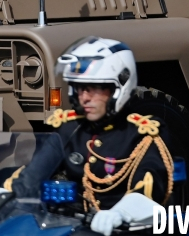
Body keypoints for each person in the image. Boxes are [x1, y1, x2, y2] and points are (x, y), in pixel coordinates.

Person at [1, 37, 173, 236]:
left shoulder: (141, 134)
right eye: (80, 88)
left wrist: (120, 213)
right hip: (74, 229)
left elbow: (150, 187)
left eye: (94, 88)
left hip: (127, 230)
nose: (85, 97)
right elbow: (32, 175)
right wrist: (7, 195)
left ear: (119, 87)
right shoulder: (70, 130)